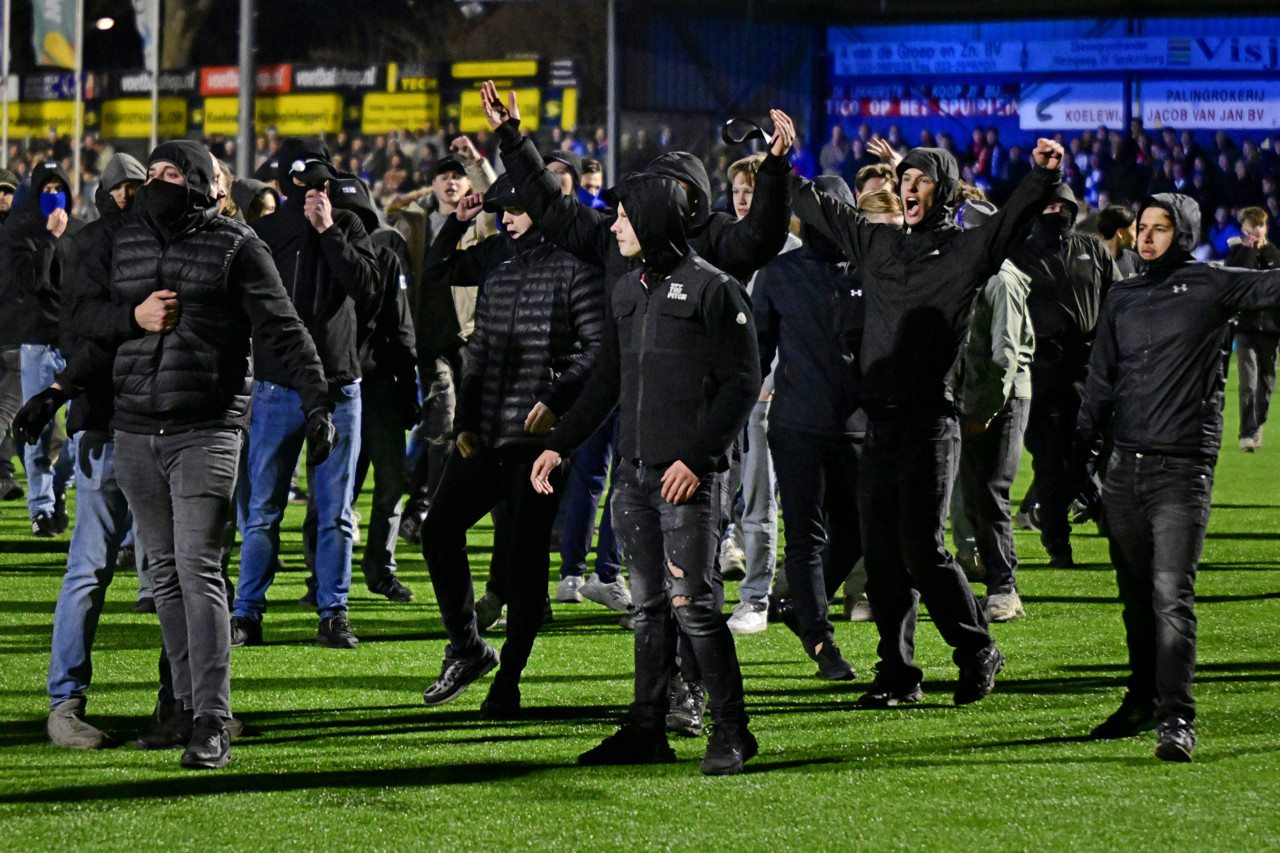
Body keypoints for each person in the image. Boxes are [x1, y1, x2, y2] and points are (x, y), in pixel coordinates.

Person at [788, 138, 1066, 707]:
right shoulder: (880, 242)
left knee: (923, 550)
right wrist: (778, 166)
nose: (908, 189)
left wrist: (1039, 176)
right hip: (880, 423)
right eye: (904, 180)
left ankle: (977, 650)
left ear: (942, 189)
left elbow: (1012, 220)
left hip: (930, 422)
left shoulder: (967, 250)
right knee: (884, 554)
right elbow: (822, 207)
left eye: (920, 181)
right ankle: (896, 673)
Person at [102, 141, 331, 768]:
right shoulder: (127, 239)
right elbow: (91, 317)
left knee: (199, 570)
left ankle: (213, 717)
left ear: (202, 182)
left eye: (171, 174)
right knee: (166, 576)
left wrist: (317, 398)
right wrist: (129, 317)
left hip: (205, 426)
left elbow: (283, 325)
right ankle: (179, 706)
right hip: (135, 427)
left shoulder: (237, 243)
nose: (157, 183)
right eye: (151, 174)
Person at [531, 172, 761, 775]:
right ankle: (645, 731)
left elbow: (742, 385)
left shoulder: (715, 290)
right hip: (631, 479)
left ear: (656, 220)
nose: (615, 226)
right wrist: (561, 443)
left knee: (695, 604)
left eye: (626, 216)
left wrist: (701, 458)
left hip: (685, 479)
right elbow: (609, 378)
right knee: (649, 608)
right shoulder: (627, 290)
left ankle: (733, 732)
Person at [1077, 193, 1280, 762]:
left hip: (1182, 470)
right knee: (1136, 599)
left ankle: (1177, 718)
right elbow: (1100, 380)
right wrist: (1077, 460)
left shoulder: (1212, 285)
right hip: (1123, 470)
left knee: (1171, 597)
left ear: (1184, 232)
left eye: (1161, 228)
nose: (1146, 237)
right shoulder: (1121, 294)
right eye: (1142, 228)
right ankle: (1141, 700)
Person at [418, 178, 603, 716]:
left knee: (524, 565)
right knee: (438, 530)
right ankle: (468, 647)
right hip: (487, 434)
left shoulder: (575, 266)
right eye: (502, 211)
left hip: (536, 441)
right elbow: (472, 339)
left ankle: (510, 679)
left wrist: (555, 397)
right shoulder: (497, 266)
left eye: (517, 209)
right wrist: (466, 420)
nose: (506, 219)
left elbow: (596, 349)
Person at [14, 153, 160, 748]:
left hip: (157, 421)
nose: (127, 195)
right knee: (90, 568)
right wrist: (135, 319)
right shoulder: (91, 244)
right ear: (104, 193)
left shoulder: (154, 236)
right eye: (119, 188)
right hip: (107, 419)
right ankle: (64, 702)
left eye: (136, 187)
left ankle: (189, 705)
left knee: (174, 573)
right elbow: (81, 329)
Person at [231, 138, 380, 650]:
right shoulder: (265, 232)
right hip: (278, 386)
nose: (310, 190)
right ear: (282, 183)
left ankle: (333, 611)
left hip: (338, 385)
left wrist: (328, 229)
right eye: (300, 181)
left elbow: (368, 289)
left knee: (335, 509)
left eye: (318, 181)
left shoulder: (350, 226)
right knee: (264, 510)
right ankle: (247, 613)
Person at [755, 175, 865, 675]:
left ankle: (801, 606)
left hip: (857, 426)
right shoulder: (778, 273)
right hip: (797, 424)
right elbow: (758, 350)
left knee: (859, 533)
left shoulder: (869, 269)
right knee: (805, 535)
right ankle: (822, 643)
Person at [1013, 186, 1120, 567]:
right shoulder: (1019, 254)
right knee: (1048, 460)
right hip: (1041, 373)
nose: (1056, 212)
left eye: (1063, 206)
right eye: (1049, 206)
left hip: (1089, 373)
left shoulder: (1093, 252)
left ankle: (1083, 505)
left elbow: (1116, 301)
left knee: (1086, 455)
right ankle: (1058, 541)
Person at [950, 199, 1036, 622]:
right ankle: (992, 583)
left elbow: (1004, 354)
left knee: (991, 493)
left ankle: (1005, 588)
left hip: (1000, 398)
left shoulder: (999, 281)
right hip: (979, 396)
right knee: (975, 498)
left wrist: (985, 408)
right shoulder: (982, 274)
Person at [720, 152, 792, 634]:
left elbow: (795, 330)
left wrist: (771, 382)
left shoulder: (788, 253)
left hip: (766, 396)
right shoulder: (719, 243)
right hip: (721, 395)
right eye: (739, 191)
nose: (744, 200)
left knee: (760, 499)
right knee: (714, 497)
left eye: (753, 191)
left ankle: (757, 598)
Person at [0, 159, 82, 536]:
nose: (53, 195)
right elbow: (31, 282)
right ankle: (42, 509)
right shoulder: (19, 232)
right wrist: (49, 239)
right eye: (45, 189)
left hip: (77, 344)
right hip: (37, 343)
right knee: (37, 431)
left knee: (83, 438)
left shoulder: (82, 232)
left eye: (58, 188)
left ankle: (61, 484)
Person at [1229, 207, 1280, 452]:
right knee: (1248, 382)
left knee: (1267, 383)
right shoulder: (1237, 254)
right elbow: (1237, 279)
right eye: (1252, 226)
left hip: (1271, 328)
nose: (1257, 230)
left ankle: (1257, 423)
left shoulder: (1274, 254)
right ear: (1244, 229)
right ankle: (1247, 434)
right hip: (1246, 326)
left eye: (1260, 226)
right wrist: (1248, 251)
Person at [0, 167, 26, 503]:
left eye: (8, 191)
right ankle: (4, 474)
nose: (3, 197)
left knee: (10, 411)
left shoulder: (27, 233)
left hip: (20, 338)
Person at [1096, 204, 1141, 277]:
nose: (1138, 235)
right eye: (1134, 230)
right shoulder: (1094, 261)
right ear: (1120, 232)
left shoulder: (1133, 260)